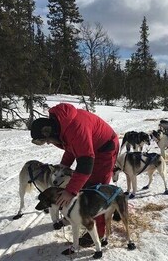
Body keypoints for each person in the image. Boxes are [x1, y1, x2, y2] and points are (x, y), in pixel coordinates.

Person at [30, 102, 119, 247]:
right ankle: (83, 215)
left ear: (49, 131)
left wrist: (70, 192)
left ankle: (99, 233)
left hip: (105, 148)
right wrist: (64, 165)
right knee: (83, 183)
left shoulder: (76, 129)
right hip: (92, 147)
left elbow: (85, 164)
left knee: (95, 190)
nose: (47, 143)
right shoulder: (62, 125)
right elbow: (71, 147)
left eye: (46, 140)